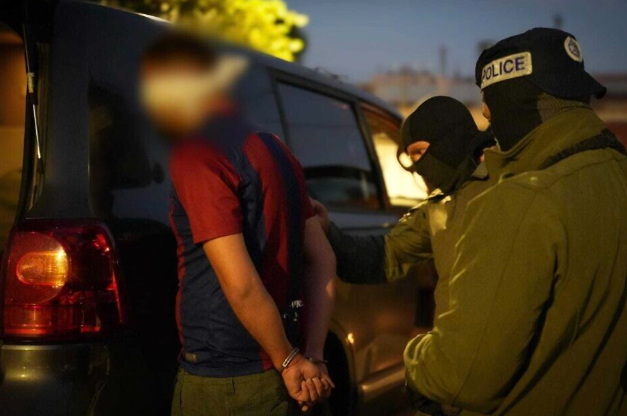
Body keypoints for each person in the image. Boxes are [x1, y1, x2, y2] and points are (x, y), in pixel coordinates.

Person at [404, 28, 627, 416]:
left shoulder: (521, 201)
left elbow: (463, 377)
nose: (489, 128)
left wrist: (415, 356)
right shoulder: (615, 174)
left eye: (490, 113)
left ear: (514, 108)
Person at [139, 32, 336, 416]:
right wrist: (311, 355)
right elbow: (323, 258)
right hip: (284, 368)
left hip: (226, 379)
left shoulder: (198, 151)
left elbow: (241, 284)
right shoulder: (276, 149)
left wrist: (288, 361)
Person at [312, 96, 495, 321]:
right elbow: (386, 256)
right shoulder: (437, 209)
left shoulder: (506, 189)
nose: (419, 168)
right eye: (412, 158)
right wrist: (326, 231)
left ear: (449, 139)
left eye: (420, 152)